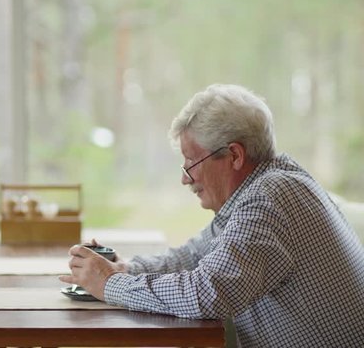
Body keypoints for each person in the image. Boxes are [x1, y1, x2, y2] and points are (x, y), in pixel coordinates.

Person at [60, 84, 364, 347]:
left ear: (234, 155)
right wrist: (126, 269)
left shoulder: (271, 198)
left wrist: (111, 284)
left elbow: (209, 293)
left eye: (191, 162)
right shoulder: (267, 185)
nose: (185, 178)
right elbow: (195, 254)